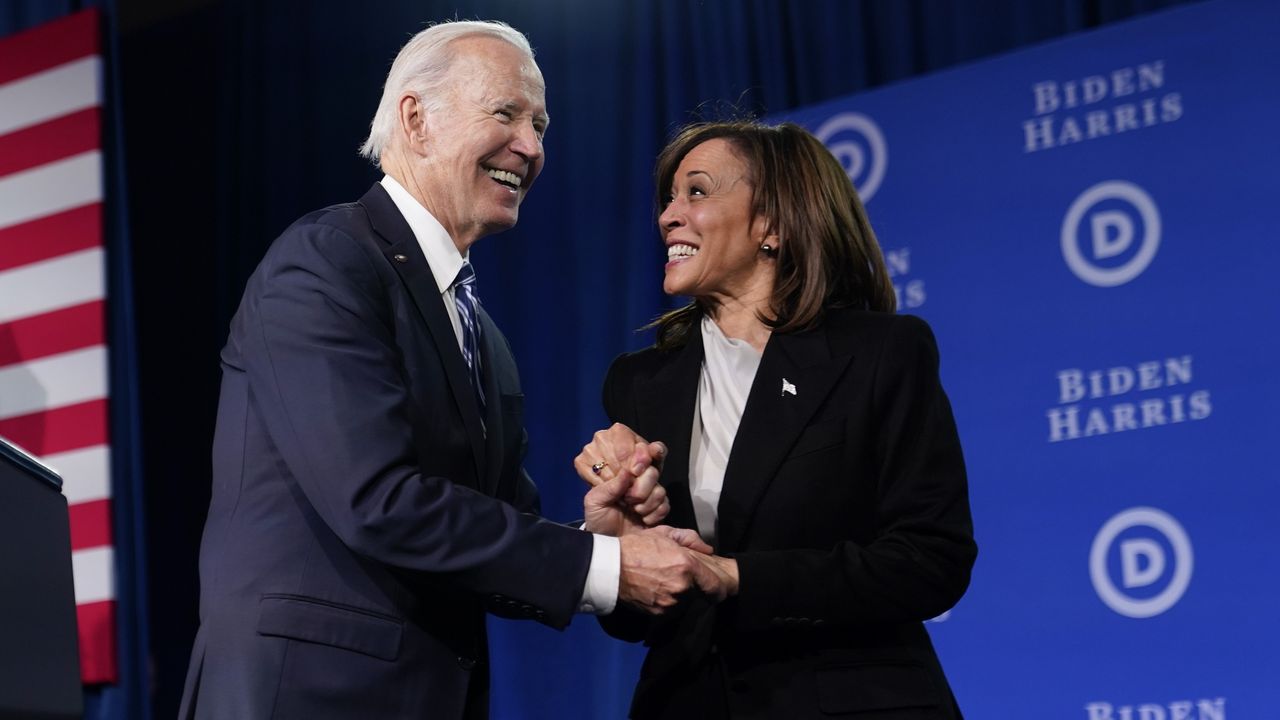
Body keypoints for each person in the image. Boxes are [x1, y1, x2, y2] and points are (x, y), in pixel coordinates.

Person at [179, 20, 716, 720]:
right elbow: (378, 501)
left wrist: (597, 537)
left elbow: (491, 530)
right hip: (307, 694)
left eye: (540, 125)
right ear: (416, 120)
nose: (531, 146)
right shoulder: (325, 263)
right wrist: (608, 568)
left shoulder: (483, 335)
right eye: (506, 113)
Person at [576, 120, 978, 719]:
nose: (668, 216)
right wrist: (620, 550)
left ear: (773, 225)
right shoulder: (639, 383)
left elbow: (930, 561)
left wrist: (738, 576)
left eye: (697, 192)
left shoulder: (880, 354)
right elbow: (638, 624)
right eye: (669, 198)